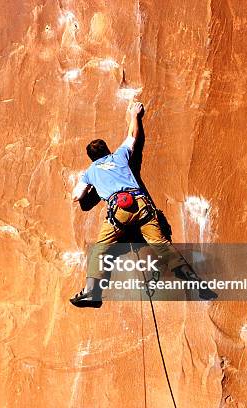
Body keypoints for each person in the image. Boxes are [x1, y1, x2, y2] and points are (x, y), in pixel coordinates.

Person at [70, 101, 216, 308]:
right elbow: (132, 137)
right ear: (107, 150)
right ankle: (194, 281)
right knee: (162, 245)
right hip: (142, 205)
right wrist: (134, 115)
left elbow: (78, 197)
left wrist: (92, 186)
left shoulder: (90, 172)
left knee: (100, 250)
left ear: (91, 158)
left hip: (119, 211)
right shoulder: (119, 156)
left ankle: (91, 292)